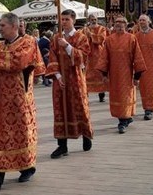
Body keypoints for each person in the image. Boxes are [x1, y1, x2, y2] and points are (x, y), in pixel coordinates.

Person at [0, 13, 44, 191]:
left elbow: (19, 62)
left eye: (3, 26)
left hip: (19, 101)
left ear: (14, 27)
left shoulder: (28, 42)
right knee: (0, 138)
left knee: (21, 134)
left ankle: (27, 166)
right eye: (0, 25)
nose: (0, 29)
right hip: (0, 102)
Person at [46, 9, 93, 159]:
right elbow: (52, 57)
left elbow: (83, 57)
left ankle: (85, 135)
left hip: (76, 79)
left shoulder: (81, 37)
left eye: (66, 19)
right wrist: (58, 75)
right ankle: (62, 145)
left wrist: (67, 46)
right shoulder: (55, 38)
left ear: (73, 19)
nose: (64, 22)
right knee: (61, 110)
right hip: (60, 81)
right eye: (62, 19)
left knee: (79, 107)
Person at [96, 16, 146, 134]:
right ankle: (125, 118)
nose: (119, 26)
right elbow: (104, 58)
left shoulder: (131, 38)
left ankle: (123, 121)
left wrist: (137, 76)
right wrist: (104, 75)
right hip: (113, 75)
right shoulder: (109, 40)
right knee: (116, 97)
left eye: (121, 24)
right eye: (117, 24)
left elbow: (138, 58)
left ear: (125, 25)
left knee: (125, 96)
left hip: (127, 74)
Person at [133, 14, 153, 120]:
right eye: (140, 20)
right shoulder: (136, 36)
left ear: (149, 22)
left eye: (143, 20)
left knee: (151, 88)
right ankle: (145, 108)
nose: (141, 22)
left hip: (152, 66)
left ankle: (149, 109)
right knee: (142, 88)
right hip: (140, 67)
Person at [82, 14, 108, 103]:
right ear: (89, 20)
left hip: (99, 55)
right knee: (87, 76)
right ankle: (86, 94)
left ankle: (101, 94)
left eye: (95, 19)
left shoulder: (102, 28)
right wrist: (86, 34)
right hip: (88, 56)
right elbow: (81, 40)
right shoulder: (85, 29)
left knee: (100, 74)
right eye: (92, 19)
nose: (94, 21)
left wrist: (91, 35)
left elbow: (101, 39)